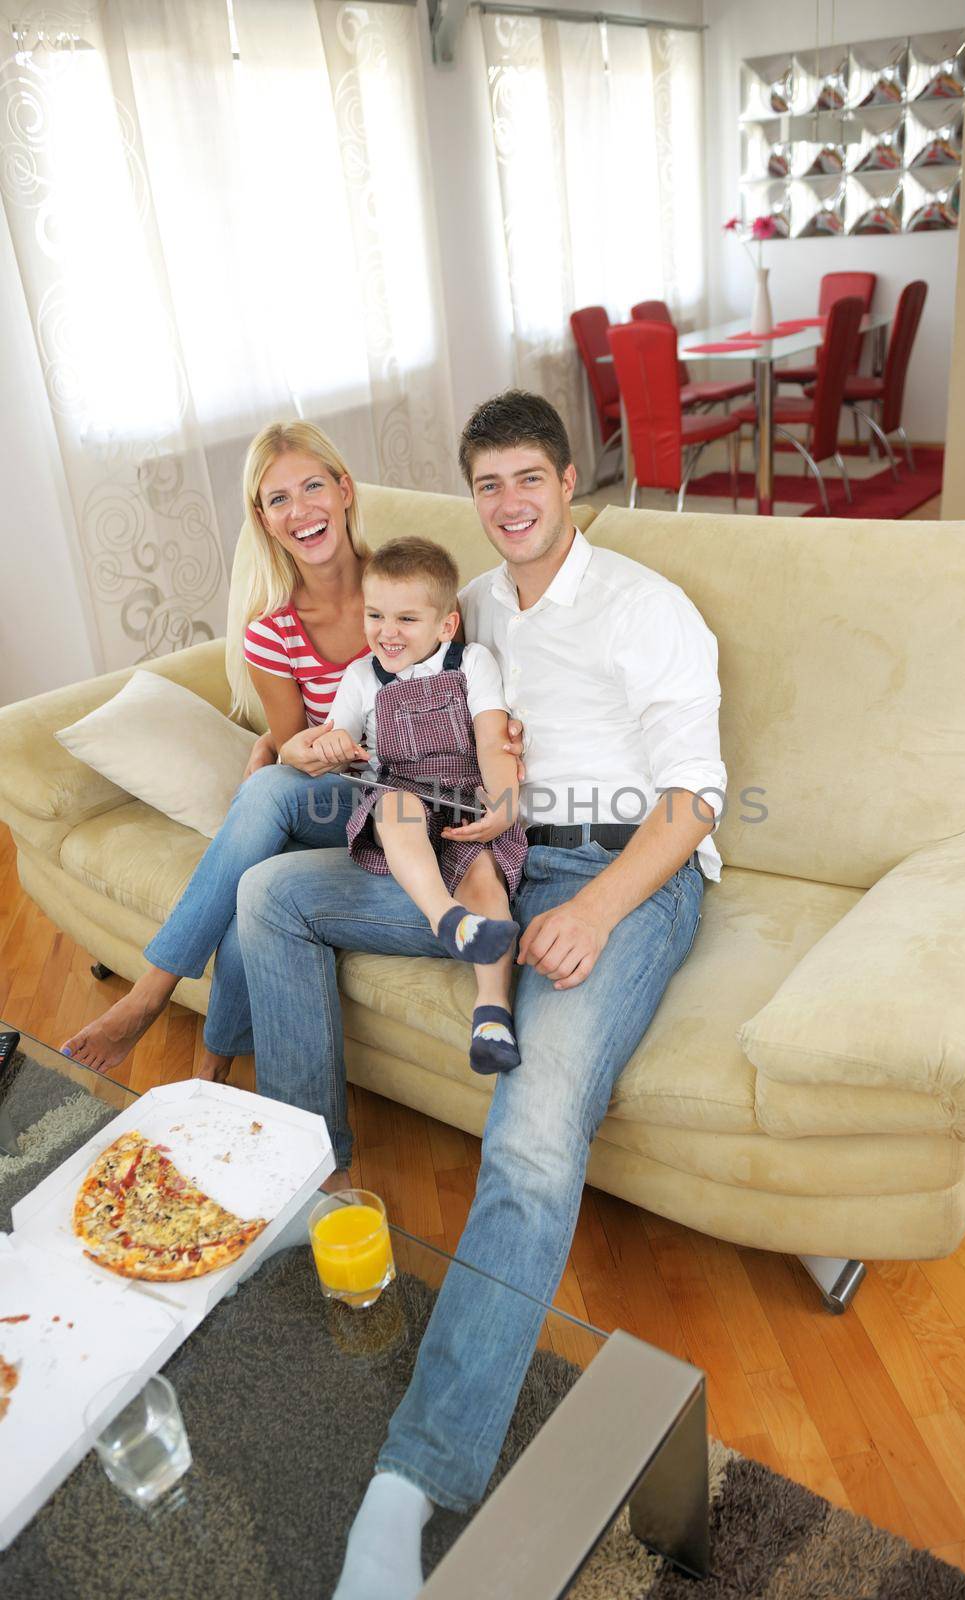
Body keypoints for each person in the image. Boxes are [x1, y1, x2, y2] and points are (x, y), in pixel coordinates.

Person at [232, 391, 726, 1600]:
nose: (509, 503)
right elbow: (382, 707)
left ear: (568, 482)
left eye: (528, 479)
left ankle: (412, 1477)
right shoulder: (469, 607)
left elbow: (697, 798)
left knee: (532, 1135)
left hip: (621, 873)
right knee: (273, 899)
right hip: (479, 862)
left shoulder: (646, 610)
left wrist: (595, 907)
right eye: (487, 484)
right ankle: (315, 1185)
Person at [58, 418, 373, 1087]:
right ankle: (206, 1077)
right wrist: (286, 749)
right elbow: (292, 744)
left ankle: (165, 1012)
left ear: (344, 491)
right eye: (277, 499)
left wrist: (273, 760)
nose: (300, 510)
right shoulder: (273, 633)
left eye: (312, 486)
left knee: (258, 838)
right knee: (259, 849)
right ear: (261, 520)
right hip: (330, 798)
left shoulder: (405, 584)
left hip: (404, 800)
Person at [310, 536, 527, 1074]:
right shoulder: (363, 677)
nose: (387, 632)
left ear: (445, 626)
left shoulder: (472, 662)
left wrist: (502, 801)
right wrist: (335, 743)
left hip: (462, 802)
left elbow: (491, 738)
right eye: (376, 615)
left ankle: (492, 1012)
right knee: (395, 806)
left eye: (407, 619)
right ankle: (444, 917)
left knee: (485, 880)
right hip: (402, 793)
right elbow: (337, 735)